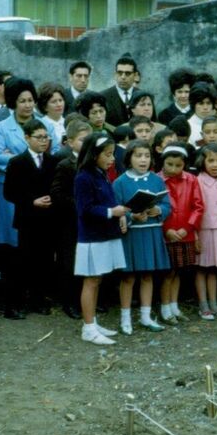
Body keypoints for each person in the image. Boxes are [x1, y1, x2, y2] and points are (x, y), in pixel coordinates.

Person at [74, 132, 128, 345]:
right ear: (94, 154)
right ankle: (88, 328)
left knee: (97, 279)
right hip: (92, 237)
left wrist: (119, 216)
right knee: (91, 280)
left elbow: (110, 200)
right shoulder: (83, 177)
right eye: (107, 154)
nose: (112, 158)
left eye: (113, 154)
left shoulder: (102, 174)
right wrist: (112, 213)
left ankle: (92, 322)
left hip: (106, 233)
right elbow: (85, 209)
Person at [112, 140, 171, 335]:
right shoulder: (120, 182)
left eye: (146, 156)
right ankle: (125, 318)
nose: (143, 160)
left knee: (148, 275)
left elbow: (167, 205)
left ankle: (146, 316)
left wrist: (158, 209)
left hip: (152, 231)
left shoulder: (156, 179)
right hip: (132, 234)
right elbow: (117, 210)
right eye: (138, 156)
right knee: (128, 277)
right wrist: (131, 216)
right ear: (129, 158)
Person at [3, 120, 59, 319]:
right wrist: (31, 201)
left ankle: (39, 299)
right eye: (39, 137)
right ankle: (15, 304)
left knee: (45, 261)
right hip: (27, 219)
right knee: (24, 260)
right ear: (27, 138)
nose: (44, 141)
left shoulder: (52, 161)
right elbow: (9, 192)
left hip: (48, 219)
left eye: (46, 137)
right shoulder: (17, 162)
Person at [0, 77, 38, 253]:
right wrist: (25, 160)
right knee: (11, 234)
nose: (27, 105)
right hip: (10, 186)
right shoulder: (2, 127)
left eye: (30, 100)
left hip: (39, 186)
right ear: (13, 102)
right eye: (22, 101)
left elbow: (52, 151)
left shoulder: (44, 124)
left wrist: (13, 156)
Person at [158, 143, 204, 325]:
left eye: (178, 165)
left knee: (178, 271)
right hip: (166, 234)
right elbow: (155, 208)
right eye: (170, 164)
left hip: (185, 233)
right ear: (163, 163)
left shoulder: (191, 180)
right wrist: (166, 229)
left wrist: (188, 227)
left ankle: (174, 304)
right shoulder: (157, 180)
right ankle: (164, 306)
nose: (174, 169)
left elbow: (198, 206)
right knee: (168, 272)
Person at [50, 120, 91, 319]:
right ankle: (71, 302)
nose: (86, 144)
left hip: (90, 221)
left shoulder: (94, 162)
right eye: (82, 140)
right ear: (70, 142)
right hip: (70, 222)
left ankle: (89, 300)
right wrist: (80, 205)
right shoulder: (65, 165)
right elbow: (57, 193)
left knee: (89, 261)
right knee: (71, 262)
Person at [193, 143, 217, 320]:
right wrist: (194, 234)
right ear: (203, 161)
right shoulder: (198, 181)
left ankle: (214, 302)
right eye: (211, 160)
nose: (215, 165)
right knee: (202, 268)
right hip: (204, 230)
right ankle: (203, 304)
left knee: (214, 269)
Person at [101, 55, 139, 127]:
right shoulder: (103, 97)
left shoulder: (143, 96)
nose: (123, 77)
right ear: (115, 74)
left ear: (135, 75)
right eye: (120, 73)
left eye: (127, 73)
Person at [37, 82, 66, 154]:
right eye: (54, 102)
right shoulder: (40, 124)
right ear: (45, 106)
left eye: (60, 100)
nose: (59, 104)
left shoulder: (69, 122)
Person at [187, 83, 217, 147]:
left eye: (208, 103)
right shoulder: (188, 127)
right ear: (194, 105)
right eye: (201, 103)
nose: (205, 107)